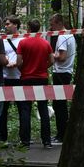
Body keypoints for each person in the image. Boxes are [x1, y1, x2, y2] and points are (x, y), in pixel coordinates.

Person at [16, 18, 53, 147]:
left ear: (29, 28)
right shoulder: (45, 43)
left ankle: (25, 141)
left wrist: (24, 69)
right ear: (39, 29)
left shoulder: (23, 43)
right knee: (43, 109)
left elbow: (19, 62)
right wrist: (43, 68)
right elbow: (52, 61)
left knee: (25, 109)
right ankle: (47, 140)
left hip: (26, 78)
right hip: (42, 78)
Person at [49, 14, 77, 145]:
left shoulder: (62, 36)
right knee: (61, 104)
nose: (51, 27)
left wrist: (51, 55)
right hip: (67, 72)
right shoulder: (71, 35)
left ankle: (61, 135)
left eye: (53, 24)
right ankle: (63, 133)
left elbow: (62, 57)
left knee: (59, 105)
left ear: (59, 23)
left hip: (60, 72)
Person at [0, 16, 24, 142]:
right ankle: (3, 138)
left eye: (8, 24)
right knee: (3, 109)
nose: (5, 26)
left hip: (19, 77)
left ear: (16, 25)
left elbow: (26, 57)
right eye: (5, 24)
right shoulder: (1, 40)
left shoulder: (23, 40)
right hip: (5, 77)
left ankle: (24, 139)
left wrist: (18, 63)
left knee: (22, 109)